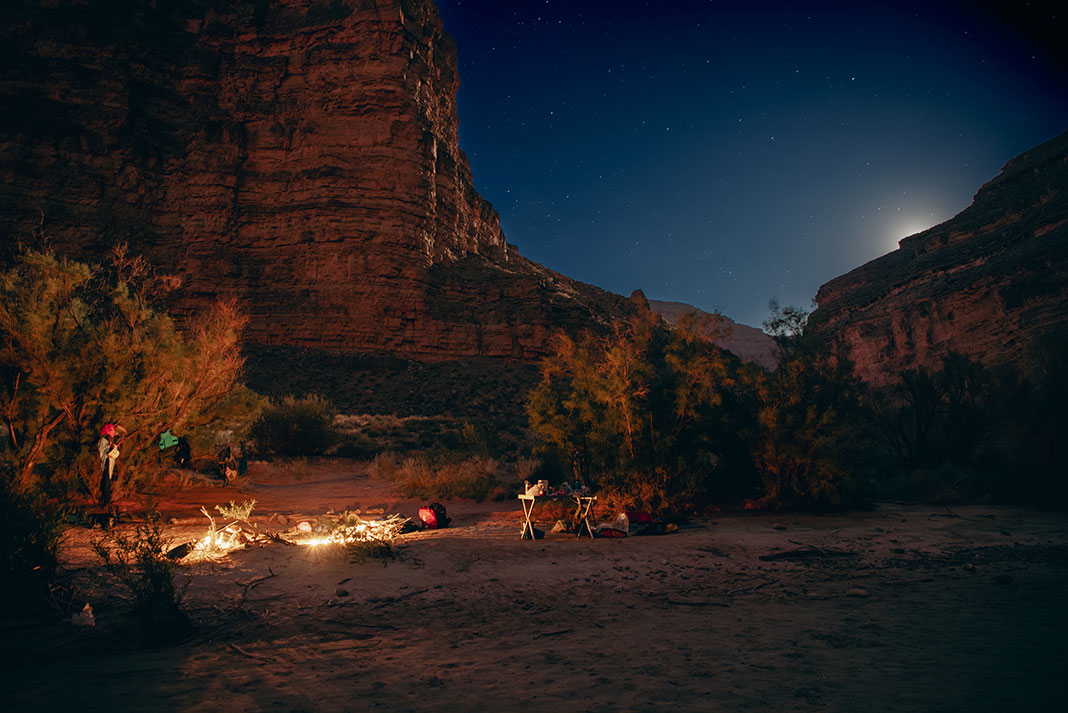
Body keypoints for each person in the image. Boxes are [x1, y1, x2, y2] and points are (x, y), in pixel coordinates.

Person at [97, 422, 126, 506]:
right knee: (106, 481)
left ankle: (105, 500)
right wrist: (114, 446)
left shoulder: (106, 440)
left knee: (106, 481)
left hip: (107, 463)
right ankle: (105, 501)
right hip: (106, 463)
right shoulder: (103, 440)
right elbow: (106, 452)